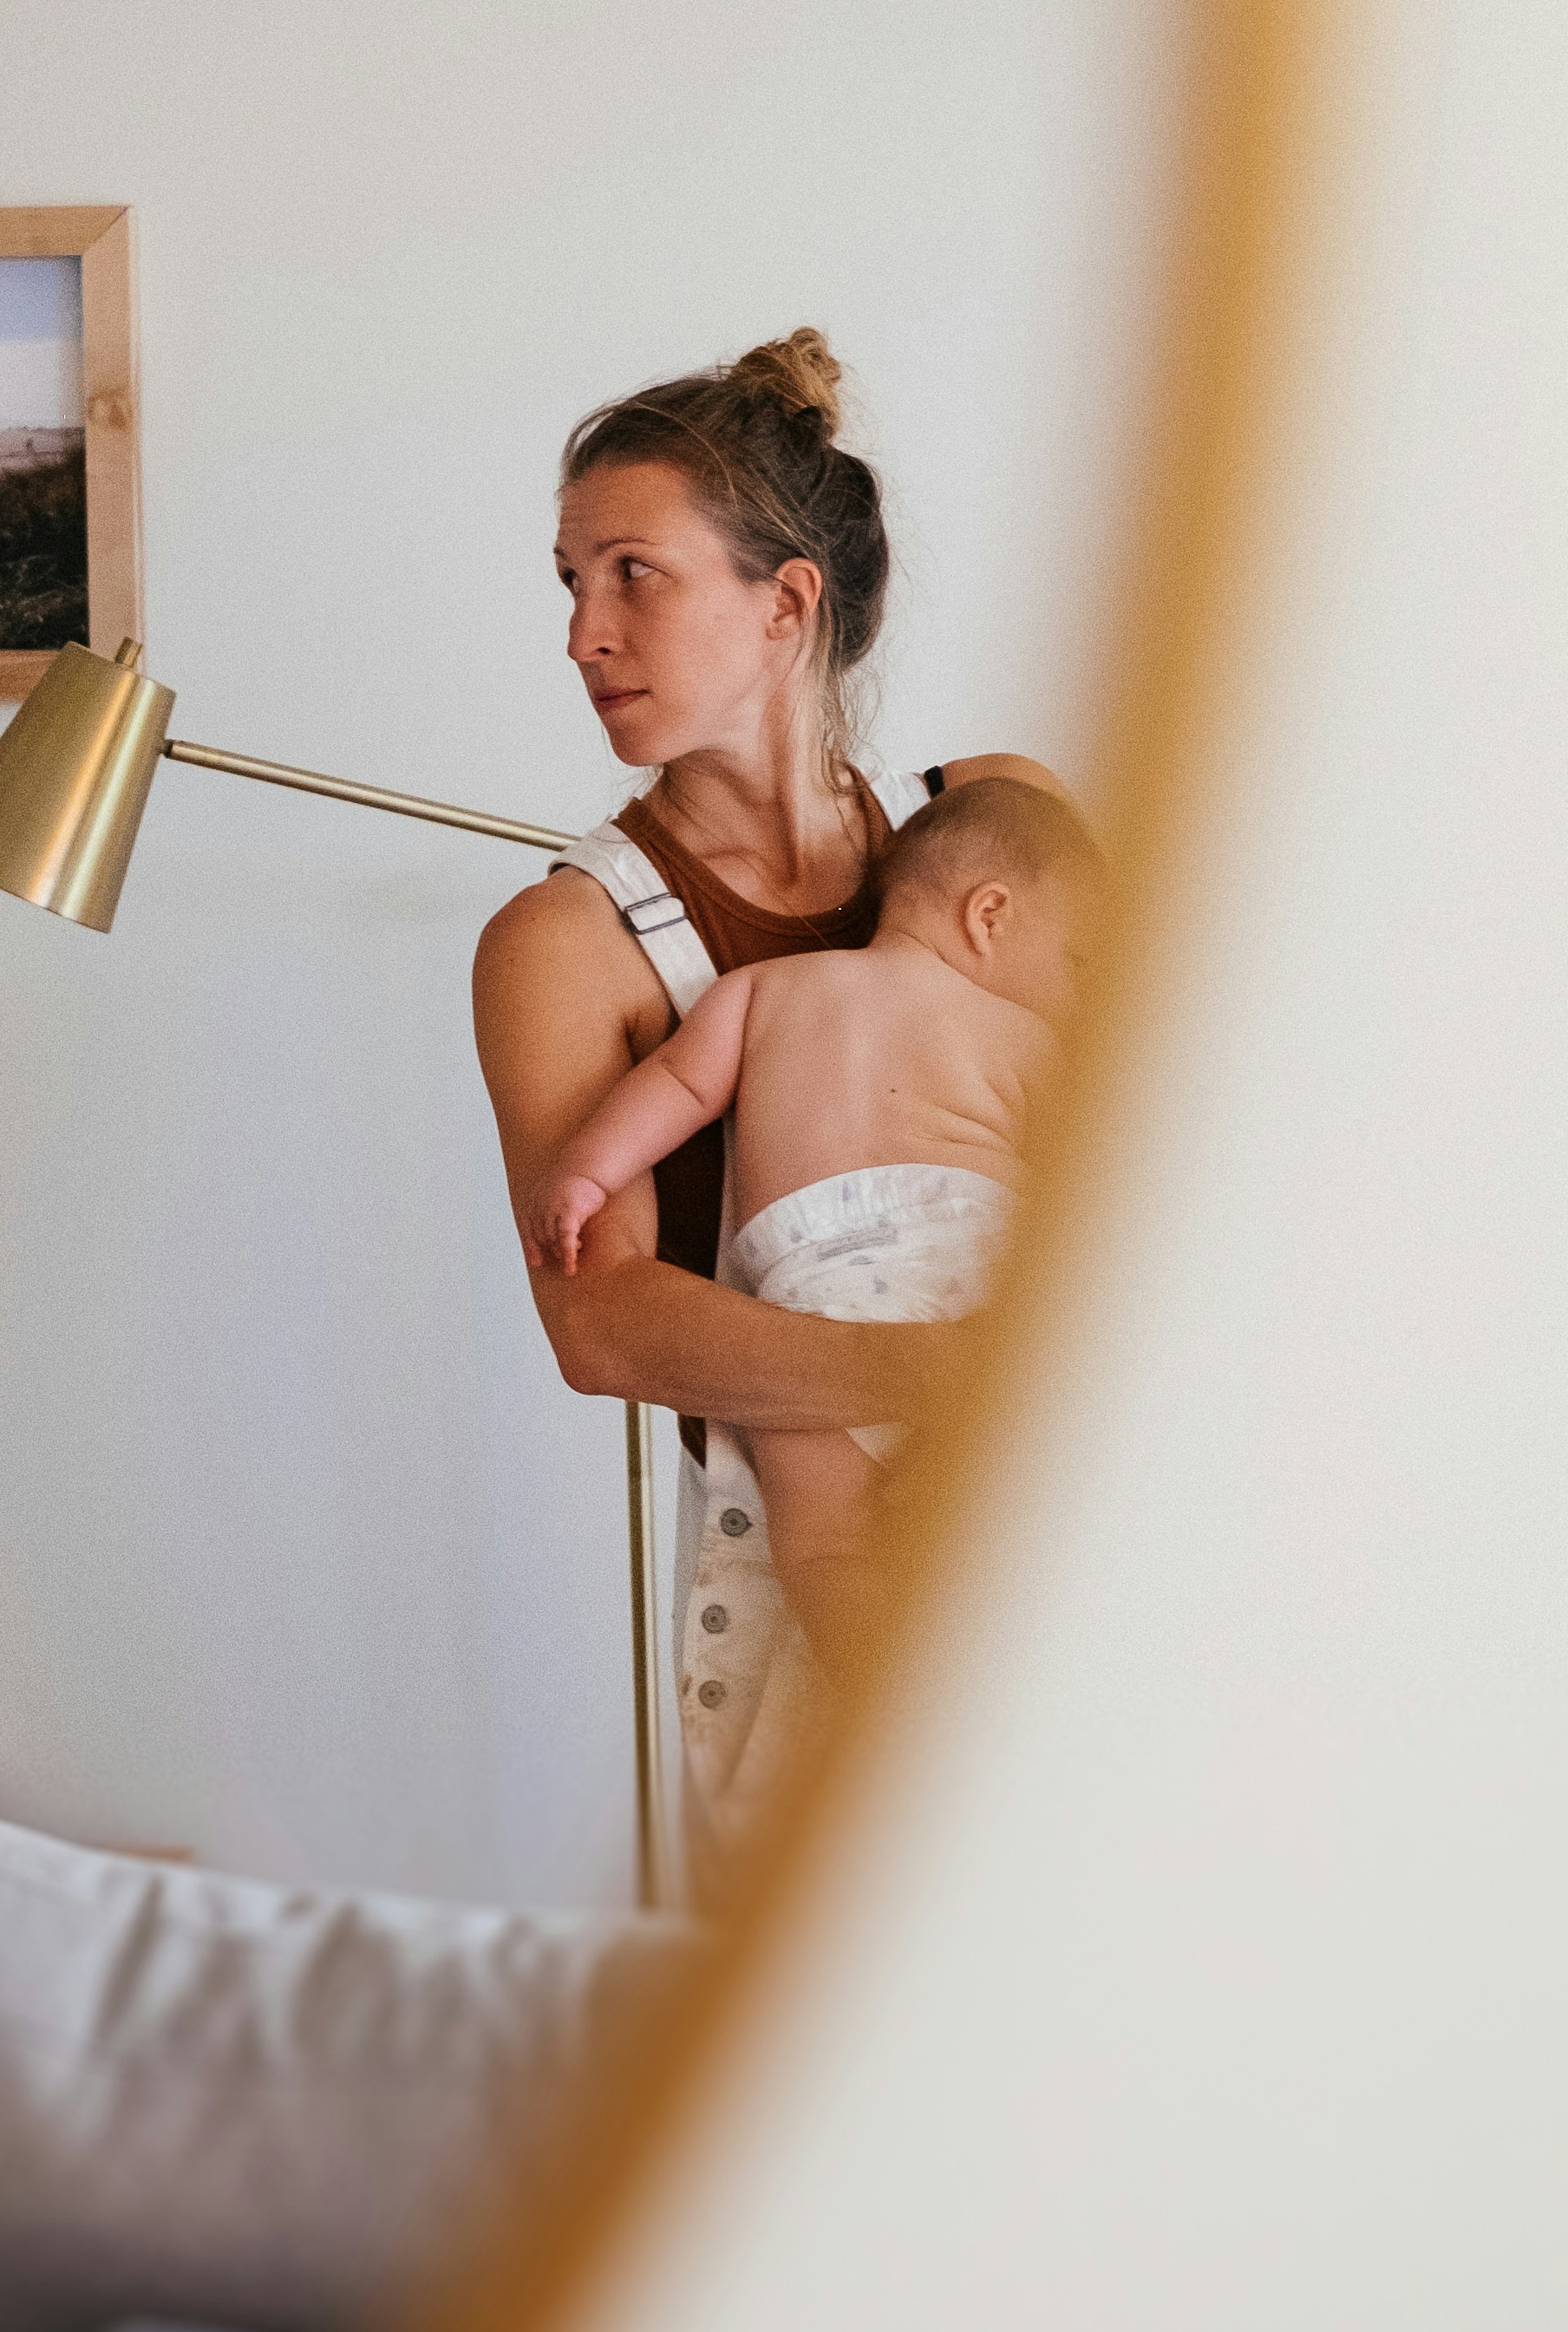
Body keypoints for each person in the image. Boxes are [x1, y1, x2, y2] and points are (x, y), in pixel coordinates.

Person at [471, 326, 1068, 1888]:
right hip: (815, 1546)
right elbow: (598, 1323)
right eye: (569, 583)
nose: (581, 633)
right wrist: (947, 1377)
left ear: (785, 602)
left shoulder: (997, 827)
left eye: (631, 574)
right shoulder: (565, 942)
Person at [521, 776, 1101, 1688]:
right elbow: (1085, 1194)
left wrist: (585, 1176)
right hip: (966, 1267)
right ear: (988, 915)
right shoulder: (1023, 1037)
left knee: (828, 1552)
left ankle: (889, 1709)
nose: (1078, 995)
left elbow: (676, 1090)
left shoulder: (759, 991)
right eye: (1076, 963)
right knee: (1020, 1532)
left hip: (806, 1302)